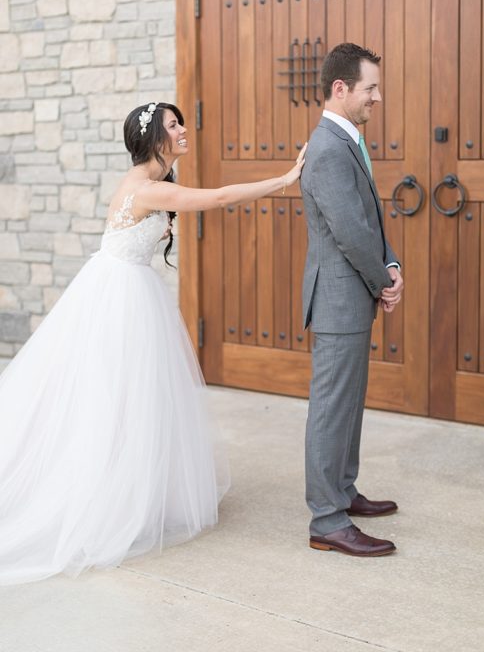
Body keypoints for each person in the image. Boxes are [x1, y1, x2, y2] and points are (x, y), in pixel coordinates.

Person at [0, 102, 306, 585]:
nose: (183, 130)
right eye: (173, 125)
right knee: (120, 400)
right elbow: (221, 196)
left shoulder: (148, 182)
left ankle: (134, 493)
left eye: (180, 122)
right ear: (153, 140)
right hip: (120, 300)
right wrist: (285, 179)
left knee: (138, 401)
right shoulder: (146, 188)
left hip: (125, 288)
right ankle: (107, 502)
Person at [300, 43, 404, 558]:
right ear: (340, 89)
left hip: (354, 295)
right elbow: (350, 232)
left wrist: (392, 265)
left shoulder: (349, 140)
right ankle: (327, 518)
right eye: (371, 88)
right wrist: (383, 280)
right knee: (331, 408)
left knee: (349, 403)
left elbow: (370, 219)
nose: (377, 97)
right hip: (339, 300)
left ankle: (343, 490)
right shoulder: (326, 149)